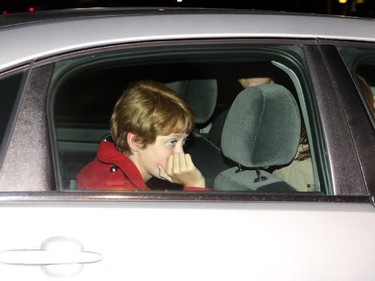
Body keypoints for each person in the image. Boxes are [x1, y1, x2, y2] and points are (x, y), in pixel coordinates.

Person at [77, 80, 208, 191]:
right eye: (172, 142)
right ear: (136, 141)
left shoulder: (116, 176)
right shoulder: (118, 192)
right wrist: (195, 185)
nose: (181, 153)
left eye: (183, 141)